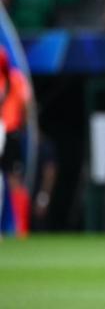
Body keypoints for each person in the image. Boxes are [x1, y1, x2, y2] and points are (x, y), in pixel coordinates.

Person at [0, 47, 31, 238]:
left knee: (14, 181)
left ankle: (20, 227)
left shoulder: (15, 79)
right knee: (14, 180)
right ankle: (20, 228)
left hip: (9, 132)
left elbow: (25, 105)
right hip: (11, 132)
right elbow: (26, 106)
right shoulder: (17, 79)